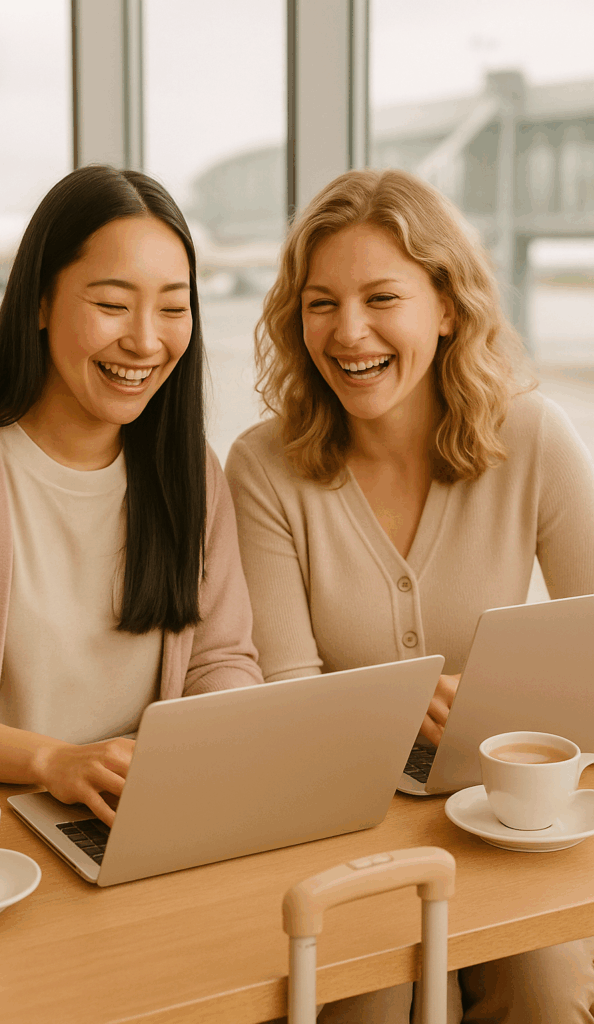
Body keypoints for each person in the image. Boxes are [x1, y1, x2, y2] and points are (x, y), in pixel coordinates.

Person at [225, 168, 594, 1022]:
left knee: (543, 992)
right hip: (340, 829)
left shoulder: (532, 435)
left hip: (507, 817)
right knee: (371, 1001)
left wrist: (503, 713)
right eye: (320, 303)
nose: (348, 332)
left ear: (447, 306)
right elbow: (282, 687)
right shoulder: (262, 467)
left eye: (381, 297)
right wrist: (380, 714)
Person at [0, 165, 262, 828]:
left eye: (173, 307)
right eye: (110, 305)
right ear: (39, 302)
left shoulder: (188, 469)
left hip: (143, 818)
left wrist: (208, 752)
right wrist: (55, 762)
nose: (145, 340)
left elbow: (222, 660)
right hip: (1, 831)